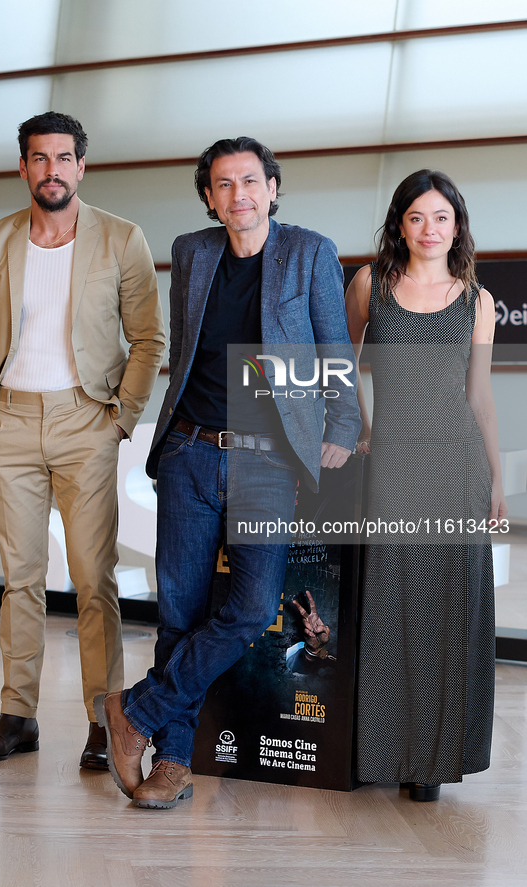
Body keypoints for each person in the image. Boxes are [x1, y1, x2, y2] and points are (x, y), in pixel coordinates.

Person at [94, 136, 361, 808]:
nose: (237, 194)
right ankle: (172, 762)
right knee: (179, 613)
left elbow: (334, 348)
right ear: (209, 197)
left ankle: (135, 709)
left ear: (272, 187)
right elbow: (185, 352)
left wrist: (342, 426)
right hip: (190, 449)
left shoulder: (309, 253)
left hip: (265, 461)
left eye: (249, 180)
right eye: (223, 184)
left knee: (247, 607)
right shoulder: (193, 252)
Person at [0, 112, 165, 769]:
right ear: (23, 167)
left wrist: (120, 418)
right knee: (20, 578)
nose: (51, 169)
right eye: (39, 158)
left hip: (87, 425)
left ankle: (106, 720)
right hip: (8, 424)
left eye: (63, 157)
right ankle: (18, 715)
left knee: (93, 578)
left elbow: (148, 339)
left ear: (81, 166)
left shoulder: (121, 239)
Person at [345, 169, 507, 802]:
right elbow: (340, 361)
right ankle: (373, 750)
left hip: (456, 466)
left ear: (457, 226)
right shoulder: (370, 284)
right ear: (400, 224)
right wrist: (359, 427)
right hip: (390, 462)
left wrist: (495, 481)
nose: (430, 229)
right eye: (417, 217)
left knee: (445, 613)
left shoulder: (477, 299)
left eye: (442, 217)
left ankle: (430, 762)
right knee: (386, 605)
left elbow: (481, 397)